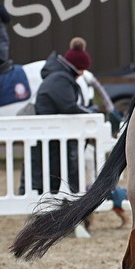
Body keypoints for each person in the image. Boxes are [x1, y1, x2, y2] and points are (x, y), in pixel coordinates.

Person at [32, 43, 98, 194]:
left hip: (51, 133)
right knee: (52, 171)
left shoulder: (59, 76)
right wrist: (89, 112)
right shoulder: (60, 79)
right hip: (50, 134)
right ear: (78, 68)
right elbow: (69, 106)